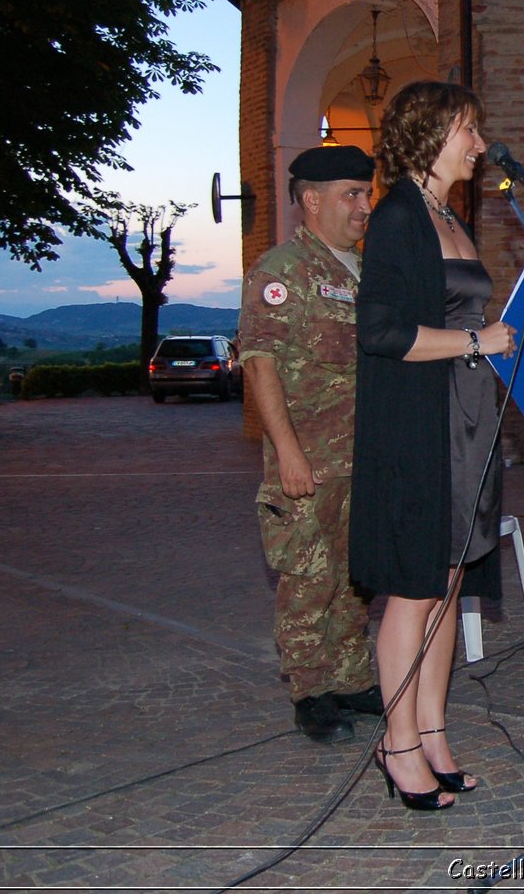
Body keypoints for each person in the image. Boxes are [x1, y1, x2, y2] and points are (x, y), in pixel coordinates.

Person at [349, 81, 524, 810]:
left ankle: (432, 733)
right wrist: (480, 339)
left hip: (466, 426)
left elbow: (472, 331)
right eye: (468, 131)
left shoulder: (450, 216)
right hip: (416, 429)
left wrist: (523, 355)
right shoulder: (397, 218)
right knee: (412, 592)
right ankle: (397, 744)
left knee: (445, 590)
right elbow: (380, 331)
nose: (479, 145)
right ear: (429, 133)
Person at [238, 145, 381, 744]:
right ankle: (310, 689)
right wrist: (288, 451)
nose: (365, 206)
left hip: (362, 456)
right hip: (310, 460)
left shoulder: (363, 271)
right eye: (352, 194)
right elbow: (259, 362)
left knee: (354, 576)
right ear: (311, 200)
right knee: (308, 576)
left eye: (366, 194)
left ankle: (349, 678)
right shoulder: (283, 272)